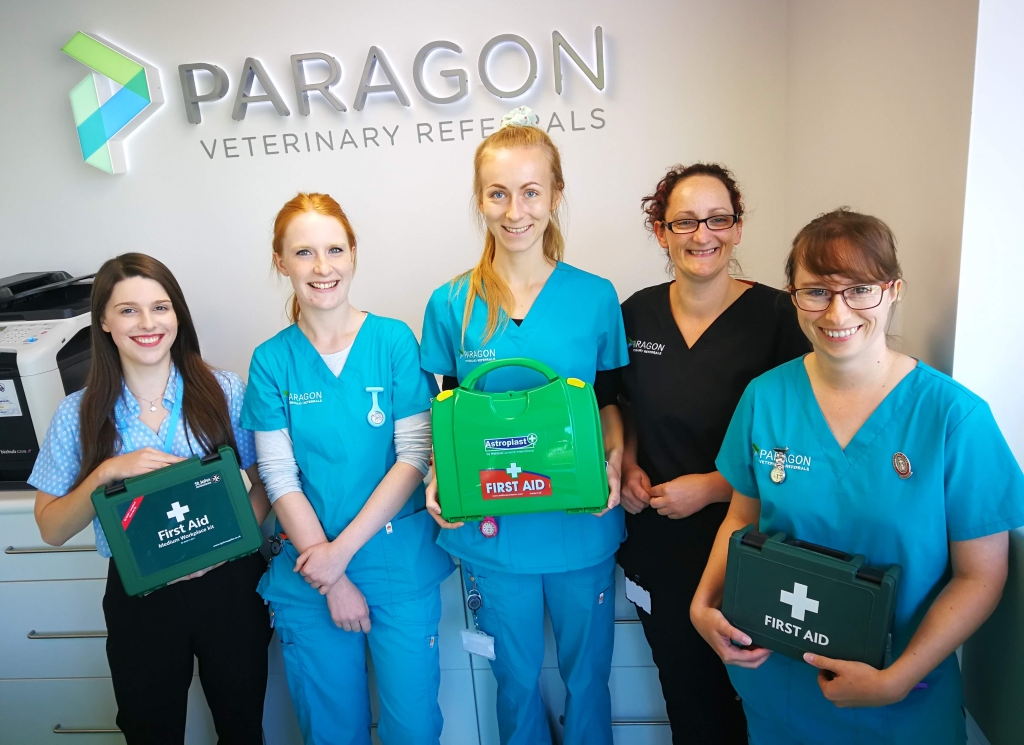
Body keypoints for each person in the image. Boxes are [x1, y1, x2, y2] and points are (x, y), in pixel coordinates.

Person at [690, 208, 1024, 744]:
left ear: (892, 290)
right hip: (781, 686)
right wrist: (703, 604)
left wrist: (897, 680)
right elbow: (741, 516)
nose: (837, 311)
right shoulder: (766, 397)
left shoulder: (952, 417)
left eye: (860, 289)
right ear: (793, 296)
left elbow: (981, 575)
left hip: (900, 701)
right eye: (816, 291)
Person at [420, 106, 628, 745]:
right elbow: (446, 411)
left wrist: (614, 463)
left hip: (578, 523)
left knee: (588, 676)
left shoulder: (594, 297)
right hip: (493, 531)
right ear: (479, 200)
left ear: (556, 196)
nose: (516, 210)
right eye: (499, 193)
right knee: (512, 677)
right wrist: (436, 475)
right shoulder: (451, 303)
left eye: (531, 191)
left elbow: (612, 402)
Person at [30, 253, 273, 744]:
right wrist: (106, 472)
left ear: (177, 315)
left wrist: (228, 546)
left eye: (160, 307)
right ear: (102, 321)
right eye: (128, 310)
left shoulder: (222, 389)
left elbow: (267, 481)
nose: (147, 323)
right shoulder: (78, 414)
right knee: (149, 730)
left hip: (228, 587)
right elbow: (51, 528)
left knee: (242, 725)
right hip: (142, 598)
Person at [241, 192, 454, 745]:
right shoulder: (271, 360)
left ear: (354, 254)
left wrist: (340, 557)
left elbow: (414, 456)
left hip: (394, 564)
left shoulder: (393, 341)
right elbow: (279, 475)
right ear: (281, 262)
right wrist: (329, 575)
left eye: (334, 249)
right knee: (332, 730)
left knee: (413, 728)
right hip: (308, 572)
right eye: (304, 252)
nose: (322, 267)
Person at [613, 163, 809, 744]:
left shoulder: (782, 319)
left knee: (764, 698)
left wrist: (714, 486)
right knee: (687, 695)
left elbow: (802, 442)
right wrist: (624, 464)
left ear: (738, 227)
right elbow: (617, 404)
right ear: (660, 230)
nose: (704, 234)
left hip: (755, 544)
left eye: (718, 219)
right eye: (685, 221)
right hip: (660, 544)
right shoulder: (635, 314)